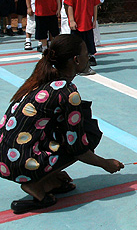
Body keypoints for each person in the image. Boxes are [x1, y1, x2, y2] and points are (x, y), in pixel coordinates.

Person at [0, 34, 124, 214]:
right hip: (18, 162)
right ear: (76, 60)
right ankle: (36, 184)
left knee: (68, 130)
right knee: (88, 134)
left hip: (6, 157)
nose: (87, 57)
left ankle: (48, 177)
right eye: (85, 54)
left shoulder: (42, 79)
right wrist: (105, 163)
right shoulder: (67, 92)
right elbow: (78, 147)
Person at [63, 0, 100, 74]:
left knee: (88, 45)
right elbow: (69, 5)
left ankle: (86, 64)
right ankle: (77, 66)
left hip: (88, 23)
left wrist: (94, 19)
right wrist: (72, 20)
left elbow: (95, 5)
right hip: (78, 23)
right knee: (77, 46)